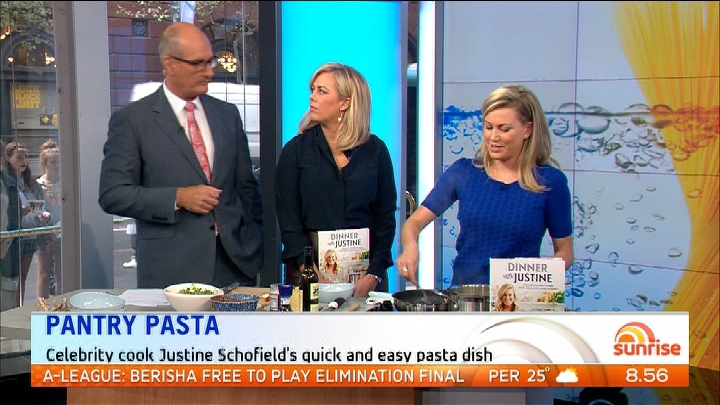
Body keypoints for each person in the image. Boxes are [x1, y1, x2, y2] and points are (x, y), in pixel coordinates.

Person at [98, 22, 263, 288]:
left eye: (210, 62)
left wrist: (255, 240)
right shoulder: (132, 120)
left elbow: (246, 188)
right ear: (170, 63)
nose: (209, 71)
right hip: (171, 270)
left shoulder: (227, 114)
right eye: (198, 63)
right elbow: (113, 194)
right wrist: (178, 197)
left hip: (234, 265)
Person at [396, 84, 574, 286]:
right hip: (465, 296)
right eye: (488, 127)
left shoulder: (550, 182)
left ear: (528, 130)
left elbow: (565, 251)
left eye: (504, 129)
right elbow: (414, 223)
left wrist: (540, 274)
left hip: (518, 297)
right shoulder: (463, 172)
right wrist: (410, 247)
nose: (493, 137)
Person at [275, 62, 397, 298]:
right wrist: (309, 271)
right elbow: (289, 223)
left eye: (322, 91)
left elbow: (385, 219)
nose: (312, 97)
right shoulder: (295, 152)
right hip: (309, 275)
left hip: (367, 280)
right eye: (313, 90)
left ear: (345, 102)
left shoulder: (376, 151)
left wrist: (374, 275)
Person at [3, 141, 51, 306]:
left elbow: (41, 206)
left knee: (22, 278)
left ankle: (19, 307)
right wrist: (18, 211)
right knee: (11, 279)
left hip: (29, 235)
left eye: (26, 157)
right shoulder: (6, 181)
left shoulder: (30, 182)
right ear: (8, 159)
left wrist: (44, 216)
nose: (24, 161)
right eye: (19, 157)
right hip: (13, 236)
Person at [35, 140, 62, 298]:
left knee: (61, 272)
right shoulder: (38, 185)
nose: (57, 165)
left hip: (62, 231)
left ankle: (60, 304)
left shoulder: (66, 183)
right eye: (53, 162)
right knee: (44, 272)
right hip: (44, 233)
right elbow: (36, 208)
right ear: (44, 163)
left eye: (58, 161)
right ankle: (42, 305)